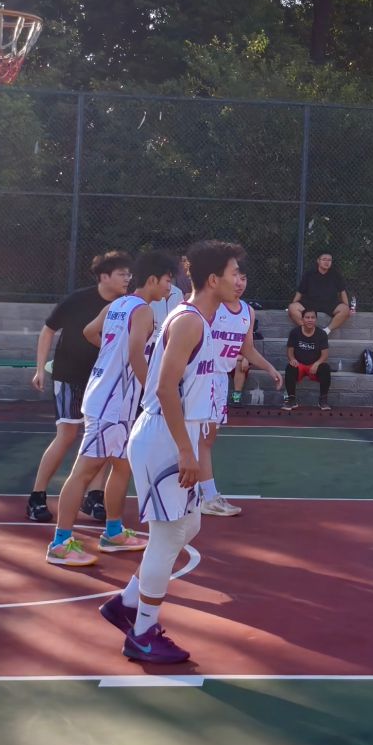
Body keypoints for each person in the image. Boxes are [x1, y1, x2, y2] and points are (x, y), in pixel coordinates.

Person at [104, 240, 245, 665]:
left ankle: (127, 604)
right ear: (213, 279)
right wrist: (187, 450)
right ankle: (143, 633)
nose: (240, 280)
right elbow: (165, 388)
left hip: (177, 435)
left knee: (190, 525)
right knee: (167, 537)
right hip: (163, 438)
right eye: (234, 273)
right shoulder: (187, 322)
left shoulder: (202, 319)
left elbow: (191, 386)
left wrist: (200, 432)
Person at [44, 255, 181, 567]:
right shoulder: (142, 310)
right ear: (152, 280)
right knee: (84, 471)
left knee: (122, 465)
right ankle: (60, 543)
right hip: (112, 403)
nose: (169, 287)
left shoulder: (117, 305)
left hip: (112, 399)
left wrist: (110, 354)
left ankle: (114, 532)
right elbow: (135, 354)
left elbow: (90, 332)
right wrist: (153, 393)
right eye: (167, 280)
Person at [26, 252, 134, 525]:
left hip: (102, 379)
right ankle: (37, 496)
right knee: (67, 434)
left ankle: (94, 496)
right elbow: (48, 329)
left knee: (103, 435)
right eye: (122, 274)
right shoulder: (78, 299)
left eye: (129, 274)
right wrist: (40, 369)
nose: (127, 278)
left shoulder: (125, 305)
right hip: (69, 375)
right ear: (104, 277)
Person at [198, 264, 282, 518]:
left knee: (206, 439)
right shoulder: (212, 306)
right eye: (235, 277)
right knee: (203, 438)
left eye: (243, 278)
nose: (239, 282)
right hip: (202, 376)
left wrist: (269, 368)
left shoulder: (247, 312)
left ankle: (201, 494)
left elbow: (247, 349)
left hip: (221, 380)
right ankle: (207, 496)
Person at [288, 251, 352, 337]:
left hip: (330, 303)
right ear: (318, 261)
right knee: (292, 307)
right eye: (324, 259)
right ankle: (307, 329)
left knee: (345, 309)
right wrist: (293, 304)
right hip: (310, 303)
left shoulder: (336, 274)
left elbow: (342, 291)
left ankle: (326, 331)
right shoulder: (309, 274)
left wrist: (347, 307)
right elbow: (300, 291)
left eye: (329, 260)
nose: (327, 262)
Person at [283, 309, 332, 411]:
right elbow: (290, 351)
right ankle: (291, 400)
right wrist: (292, 359)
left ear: (316, 319)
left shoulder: (321, 334)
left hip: (314, 366)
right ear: (302, 319)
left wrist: (317, 363)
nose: (310, 320)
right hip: (299, 365)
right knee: (289, 367)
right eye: (307, 317)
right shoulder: (295, 332)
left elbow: (325, 354)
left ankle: (323, 400)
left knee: (325, 368)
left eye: (312, 317)